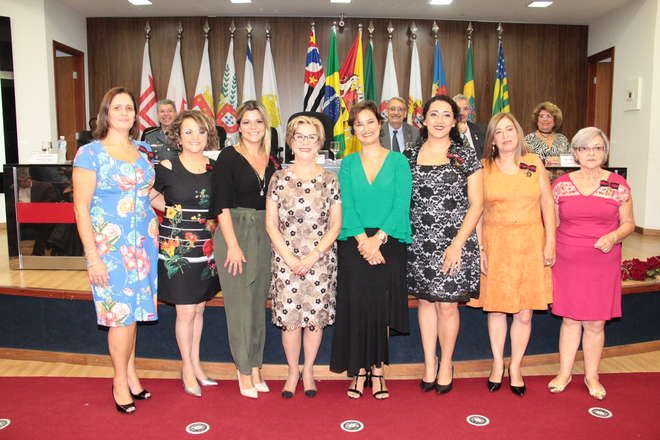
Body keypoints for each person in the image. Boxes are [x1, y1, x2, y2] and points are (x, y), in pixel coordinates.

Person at [72, 87, 159, 414]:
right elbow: (80, 208)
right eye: (117, 108)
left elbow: (148, 194)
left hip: (144, 245)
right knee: (120, 317)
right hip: (110, 246)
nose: (125, 113)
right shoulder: (90, 153)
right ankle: (119, 381)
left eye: (130, 108)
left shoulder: (143, 149)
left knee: (134, 313)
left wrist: (184, 209)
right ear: (105, 113)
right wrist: (92, 257)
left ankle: (132, 376)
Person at [467, 112, 555, 397]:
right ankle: (496, 363)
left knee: (525, 313)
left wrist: (550, 242)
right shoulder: (483, 167)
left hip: (530, 244)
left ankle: (515, 366)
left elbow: (547, 204)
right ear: (491, 139)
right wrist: (480, 248)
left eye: (509, 130)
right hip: (496, 245)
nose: (505, 136)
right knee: (496, 309)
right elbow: (477, 212)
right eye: (498, 132)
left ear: (518, 133)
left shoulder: (534, 163)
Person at [330, 101, 412, 400]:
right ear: (353, 130)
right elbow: (345, 204)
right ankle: (359, 370)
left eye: (369, 122)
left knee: (381, 307)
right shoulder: (349, 163)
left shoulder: (399, 162)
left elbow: (401, 204)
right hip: (354, 243)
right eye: (358, 124)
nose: (364, 128)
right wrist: (364, 241)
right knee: (359, 306)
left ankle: (378, 370)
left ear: (380, 124)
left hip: (389, 243)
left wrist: (378, 239)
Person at [548, 127, 634, 400]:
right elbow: (553, 224)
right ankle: (564, 373)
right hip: (568, 259)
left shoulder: (618, 184)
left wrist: (614, 235)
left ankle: (592, 376)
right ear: (575, 153)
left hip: (602, 260)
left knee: (595, 323)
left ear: (605, 153)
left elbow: (629, 223)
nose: (591, 153)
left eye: (597, 148)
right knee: (570, 320)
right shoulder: (560, 185)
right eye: (585, 148)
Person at [405, 95, 483, 394]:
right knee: (425, 302)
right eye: (433, 114)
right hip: (418, 242)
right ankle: (428, 362)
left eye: (446, 115)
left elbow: (477, 205)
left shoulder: (465, 156)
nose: (439, 120)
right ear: (424, 120)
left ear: (455, 121)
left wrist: (457, 244)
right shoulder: (409, 155)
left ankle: (447, 362)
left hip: (454, 242)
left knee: (448, 306)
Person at [265, 115, 342, 398]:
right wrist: (289, 257)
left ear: (320, 142)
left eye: (312, 137)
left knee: (314, 319)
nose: (306, 142)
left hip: (320, 261)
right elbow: (271, 224)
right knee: (290, 320)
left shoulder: (330, 179)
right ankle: (291, 370)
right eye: (300, 137)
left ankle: (308, 370)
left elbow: (335, 225)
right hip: (285, 261)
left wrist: (313, 256)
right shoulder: (279, 178)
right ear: (291, 142)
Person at [209, 100, 279, 399]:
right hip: (235, 233)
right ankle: (243, 371)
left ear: (266, 126)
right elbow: (220, 205)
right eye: (247, 122)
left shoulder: (272, 160)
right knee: (239, 308)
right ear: (238, 126)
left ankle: (257, 365)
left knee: (257, 307)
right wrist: (233, 247)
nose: (253, 127)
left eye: (258, 122)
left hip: (264, 234)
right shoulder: (228, 157)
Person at [150, 110, 221, 398]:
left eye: (201, 131)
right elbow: (148, 194)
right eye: (189, 131)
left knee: (200, 308)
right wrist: (168, 212)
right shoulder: (166, 165)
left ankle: (197, 364)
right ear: (178, 136)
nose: (195, 137)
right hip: (176, 248)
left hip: (205, 246)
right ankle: (187, 368)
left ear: (208, 135)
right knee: (186, 310)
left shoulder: (214, 167)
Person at [453, 93, 486, 158]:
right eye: (458, 109)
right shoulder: (447, 132)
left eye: (465, 109)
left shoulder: (481, 130)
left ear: (469, 111)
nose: (461, 113)